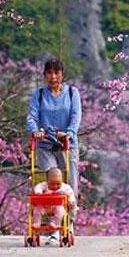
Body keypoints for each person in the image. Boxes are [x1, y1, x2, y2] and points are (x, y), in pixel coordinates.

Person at [26, 58, 82, 203]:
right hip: (45, 145)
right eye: (49, 73)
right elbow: (31, 116)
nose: (53, 77)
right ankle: (51, 219)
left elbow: (76, 116)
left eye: (56, 73)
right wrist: (35, 131)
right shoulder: (38, 95)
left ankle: (69, 220)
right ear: (44, 75)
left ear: (62, 74)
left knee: (70, 184)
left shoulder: (71, 93)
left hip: (66, 144)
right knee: (51, 183)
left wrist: (69, 133)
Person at [32, 167, 77, 246]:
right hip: (44, 206)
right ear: (47, 181)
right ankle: (36, 223)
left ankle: (54, 223)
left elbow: (70, 193)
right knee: (37, 210)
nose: (55, 186)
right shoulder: (44, 185)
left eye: (58, 184)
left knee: (61, 211)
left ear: (62, 180)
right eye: (52, 184)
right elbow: (38, 187)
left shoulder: (65, 187)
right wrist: (38, 193)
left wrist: (71, 201)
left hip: (57, 206)